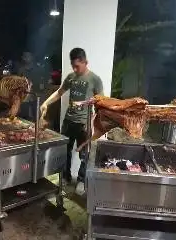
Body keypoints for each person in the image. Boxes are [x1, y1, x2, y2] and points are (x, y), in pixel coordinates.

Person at [40, 48, 103, 195]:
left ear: (85, 62)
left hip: (84, 122)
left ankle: (81, 180)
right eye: (73, 66)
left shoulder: (95, 79)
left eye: (77, 66)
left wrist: (92, 122)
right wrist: (46, 103)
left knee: (84, 154)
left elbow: (101, 103)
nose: (75, 69)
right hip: (69, 120)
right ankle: (66, 177)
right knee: (65, 151)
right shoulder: (71, 77)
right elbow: (60, 92)